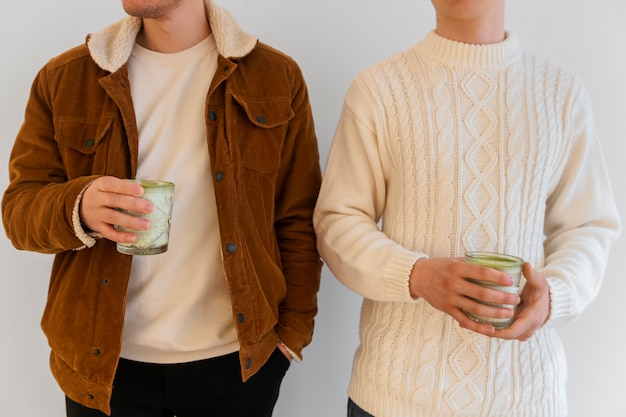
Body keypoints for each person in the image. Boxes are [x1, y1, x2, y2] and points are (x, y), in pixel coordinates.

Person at [2, 0, 322, 416]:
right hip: (104, 371)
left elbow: (298, 219)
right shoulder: (66, 78)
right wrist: (79, 207)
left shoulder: (276, 77)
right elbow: (18, 211)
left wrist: (290, 337)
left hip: (239, 367)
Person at [313, 0, 621, 416]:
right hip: (395, 398)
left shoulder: (561, 96)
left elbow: (589, 225)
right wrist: (417, 276)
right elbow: (337, 222)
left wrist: (555, 297)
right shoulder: (379, 90)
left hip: (527, 399)